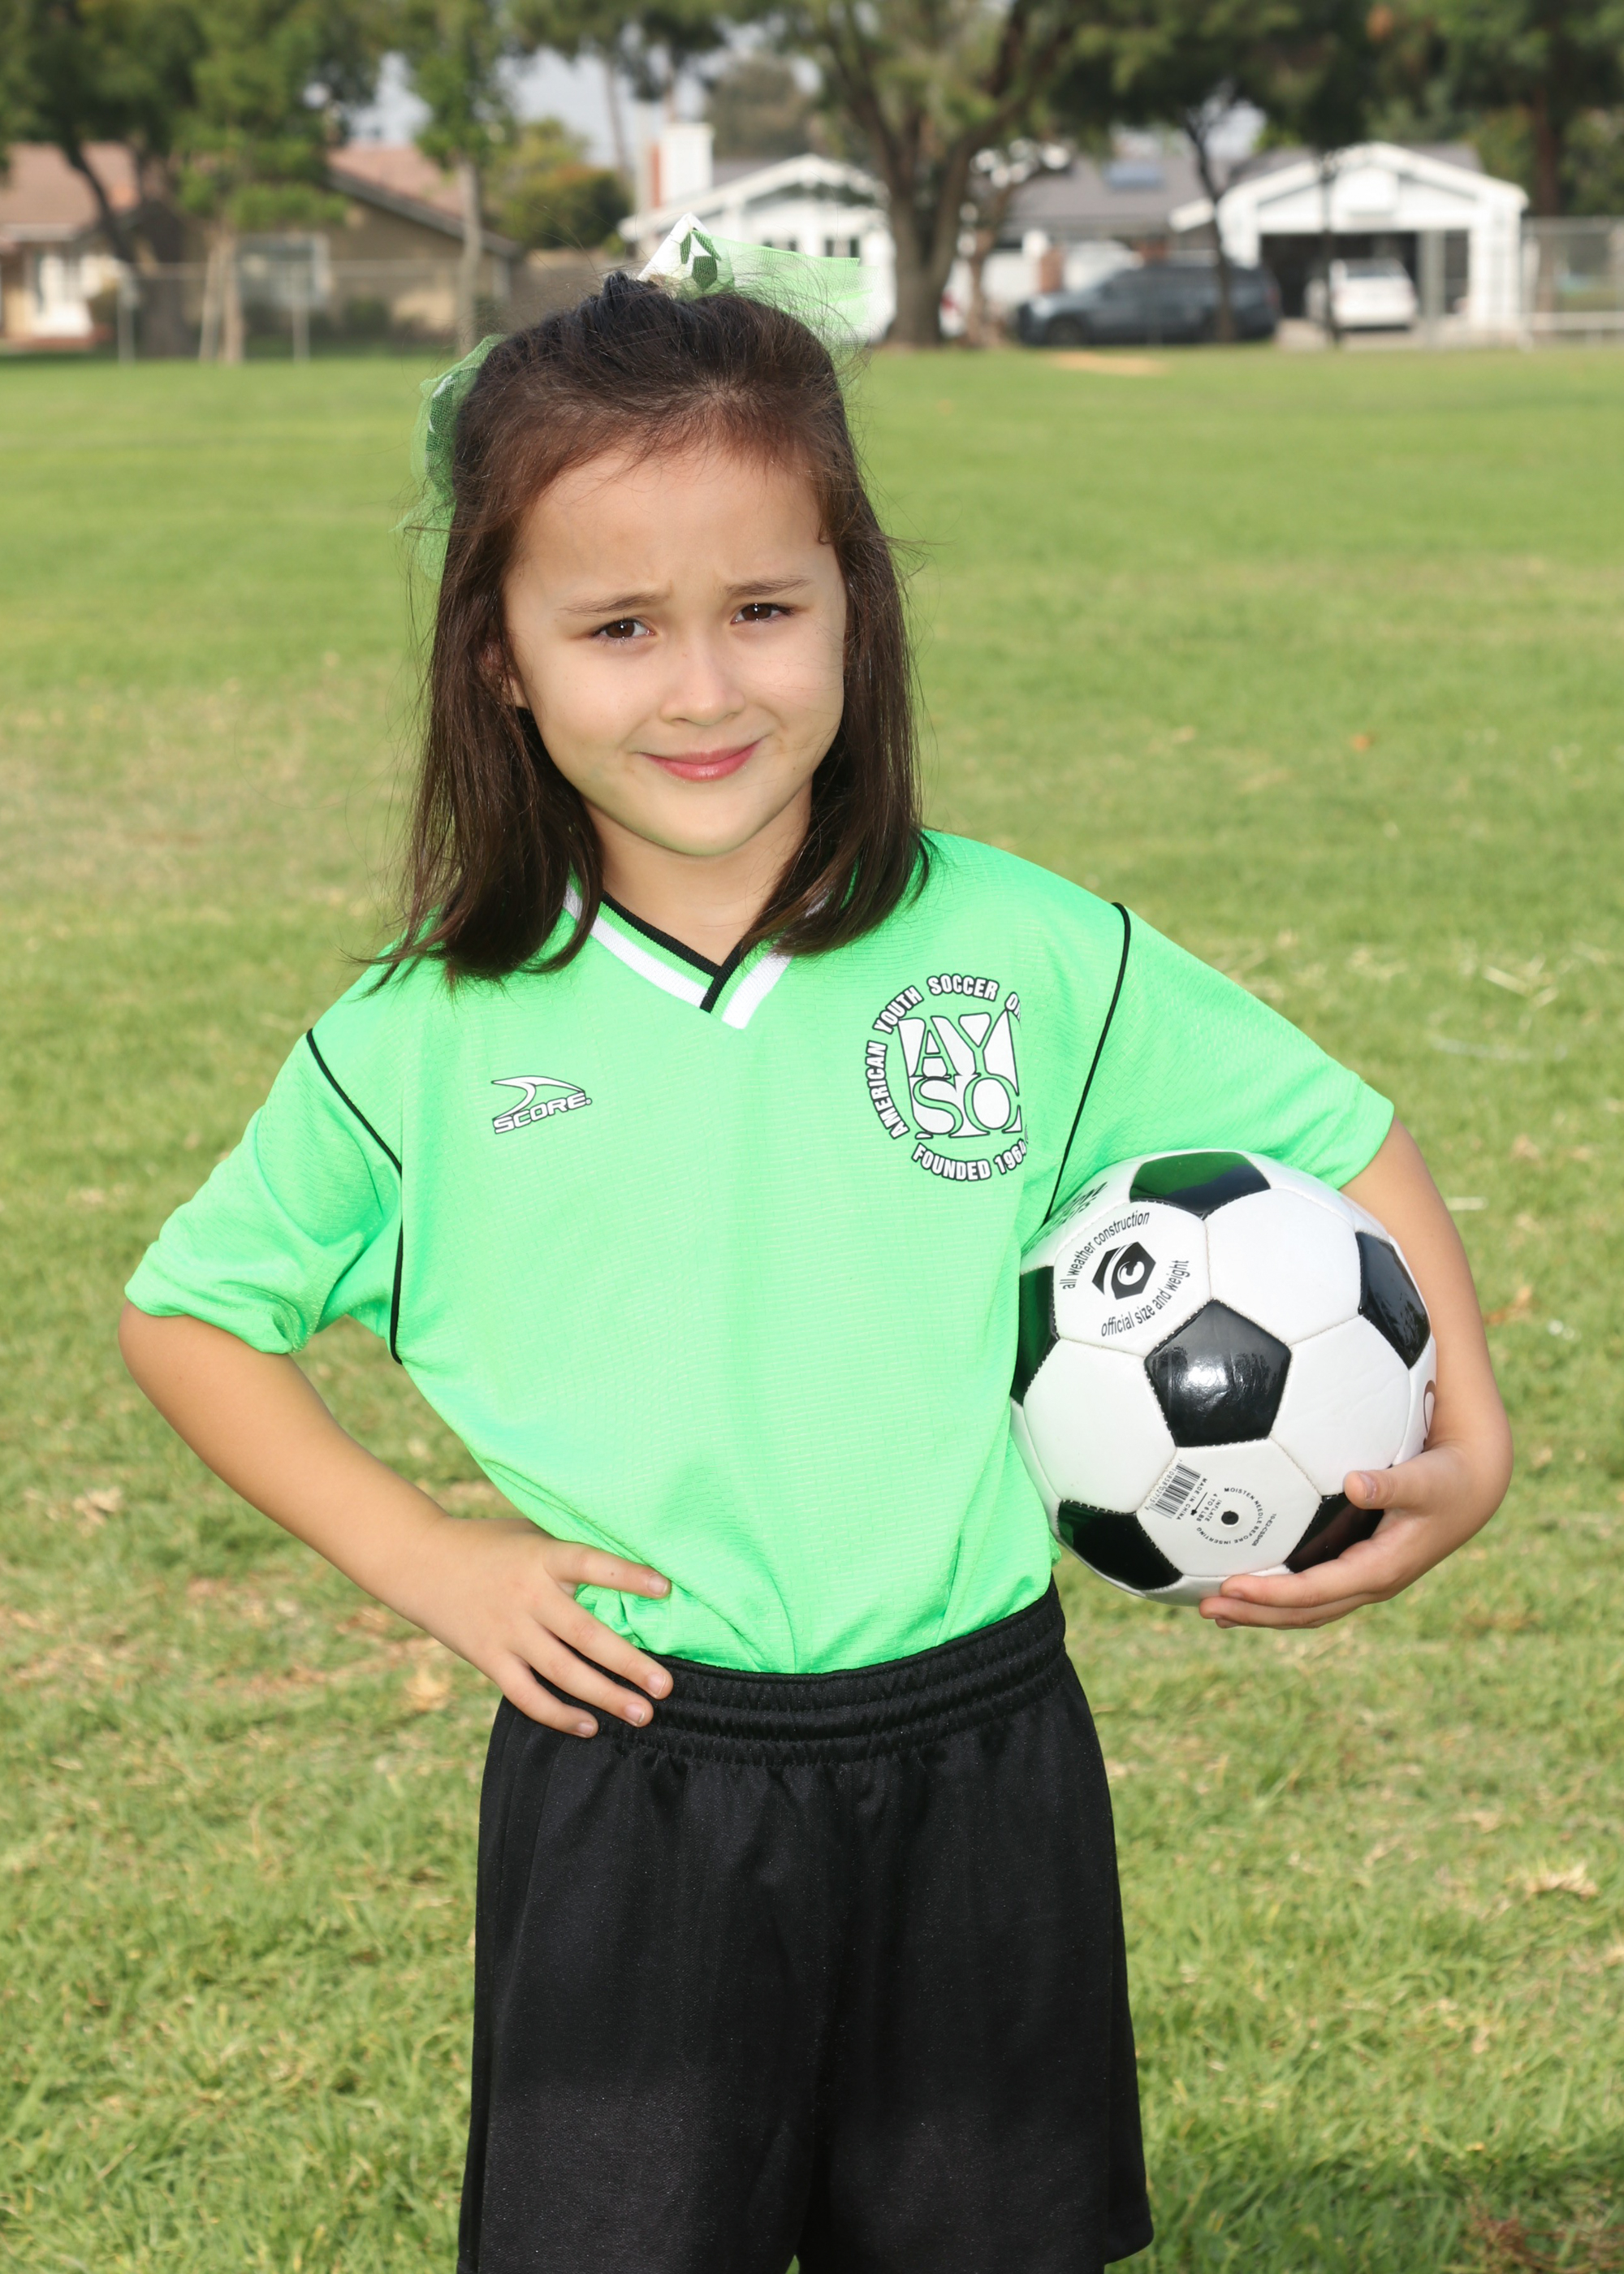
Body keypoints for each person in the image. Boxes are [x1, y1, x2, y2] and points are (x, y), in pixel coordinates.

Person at [119, 222, 1512, 2274]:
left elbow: (1342, 1133)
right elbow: (191, 1312)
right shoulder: (426, 1036)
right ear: (498, 652)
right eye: (618, 626)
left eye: (763, 608)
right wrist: (428, 1557)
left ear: (853, 601)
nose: (703, 687)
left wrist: (1467, 1434)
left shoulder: (1022, 946)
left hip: (986, 1758)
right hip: (632, 1771)